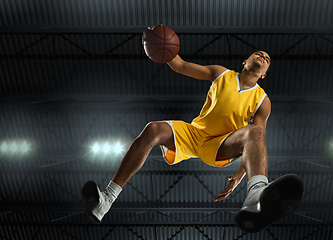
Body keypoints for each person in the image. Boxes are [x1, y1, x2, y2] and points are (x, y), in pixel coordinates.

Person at [81, 27, 303, 232]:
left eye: (267, 59)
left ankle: (255, 197)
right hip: (194, 133)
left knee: (256, 132)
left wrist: (237, 177)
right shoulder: (221, 73)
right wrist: (158, 42)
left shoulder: (263, 101)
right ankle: (106, 200)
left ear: (264, 74)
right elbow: (180, 65)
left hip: (221, 144)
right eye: (259, 54)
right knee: (153, 129)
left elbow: (254, 144)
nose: (263, 57)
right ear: (245, 61)